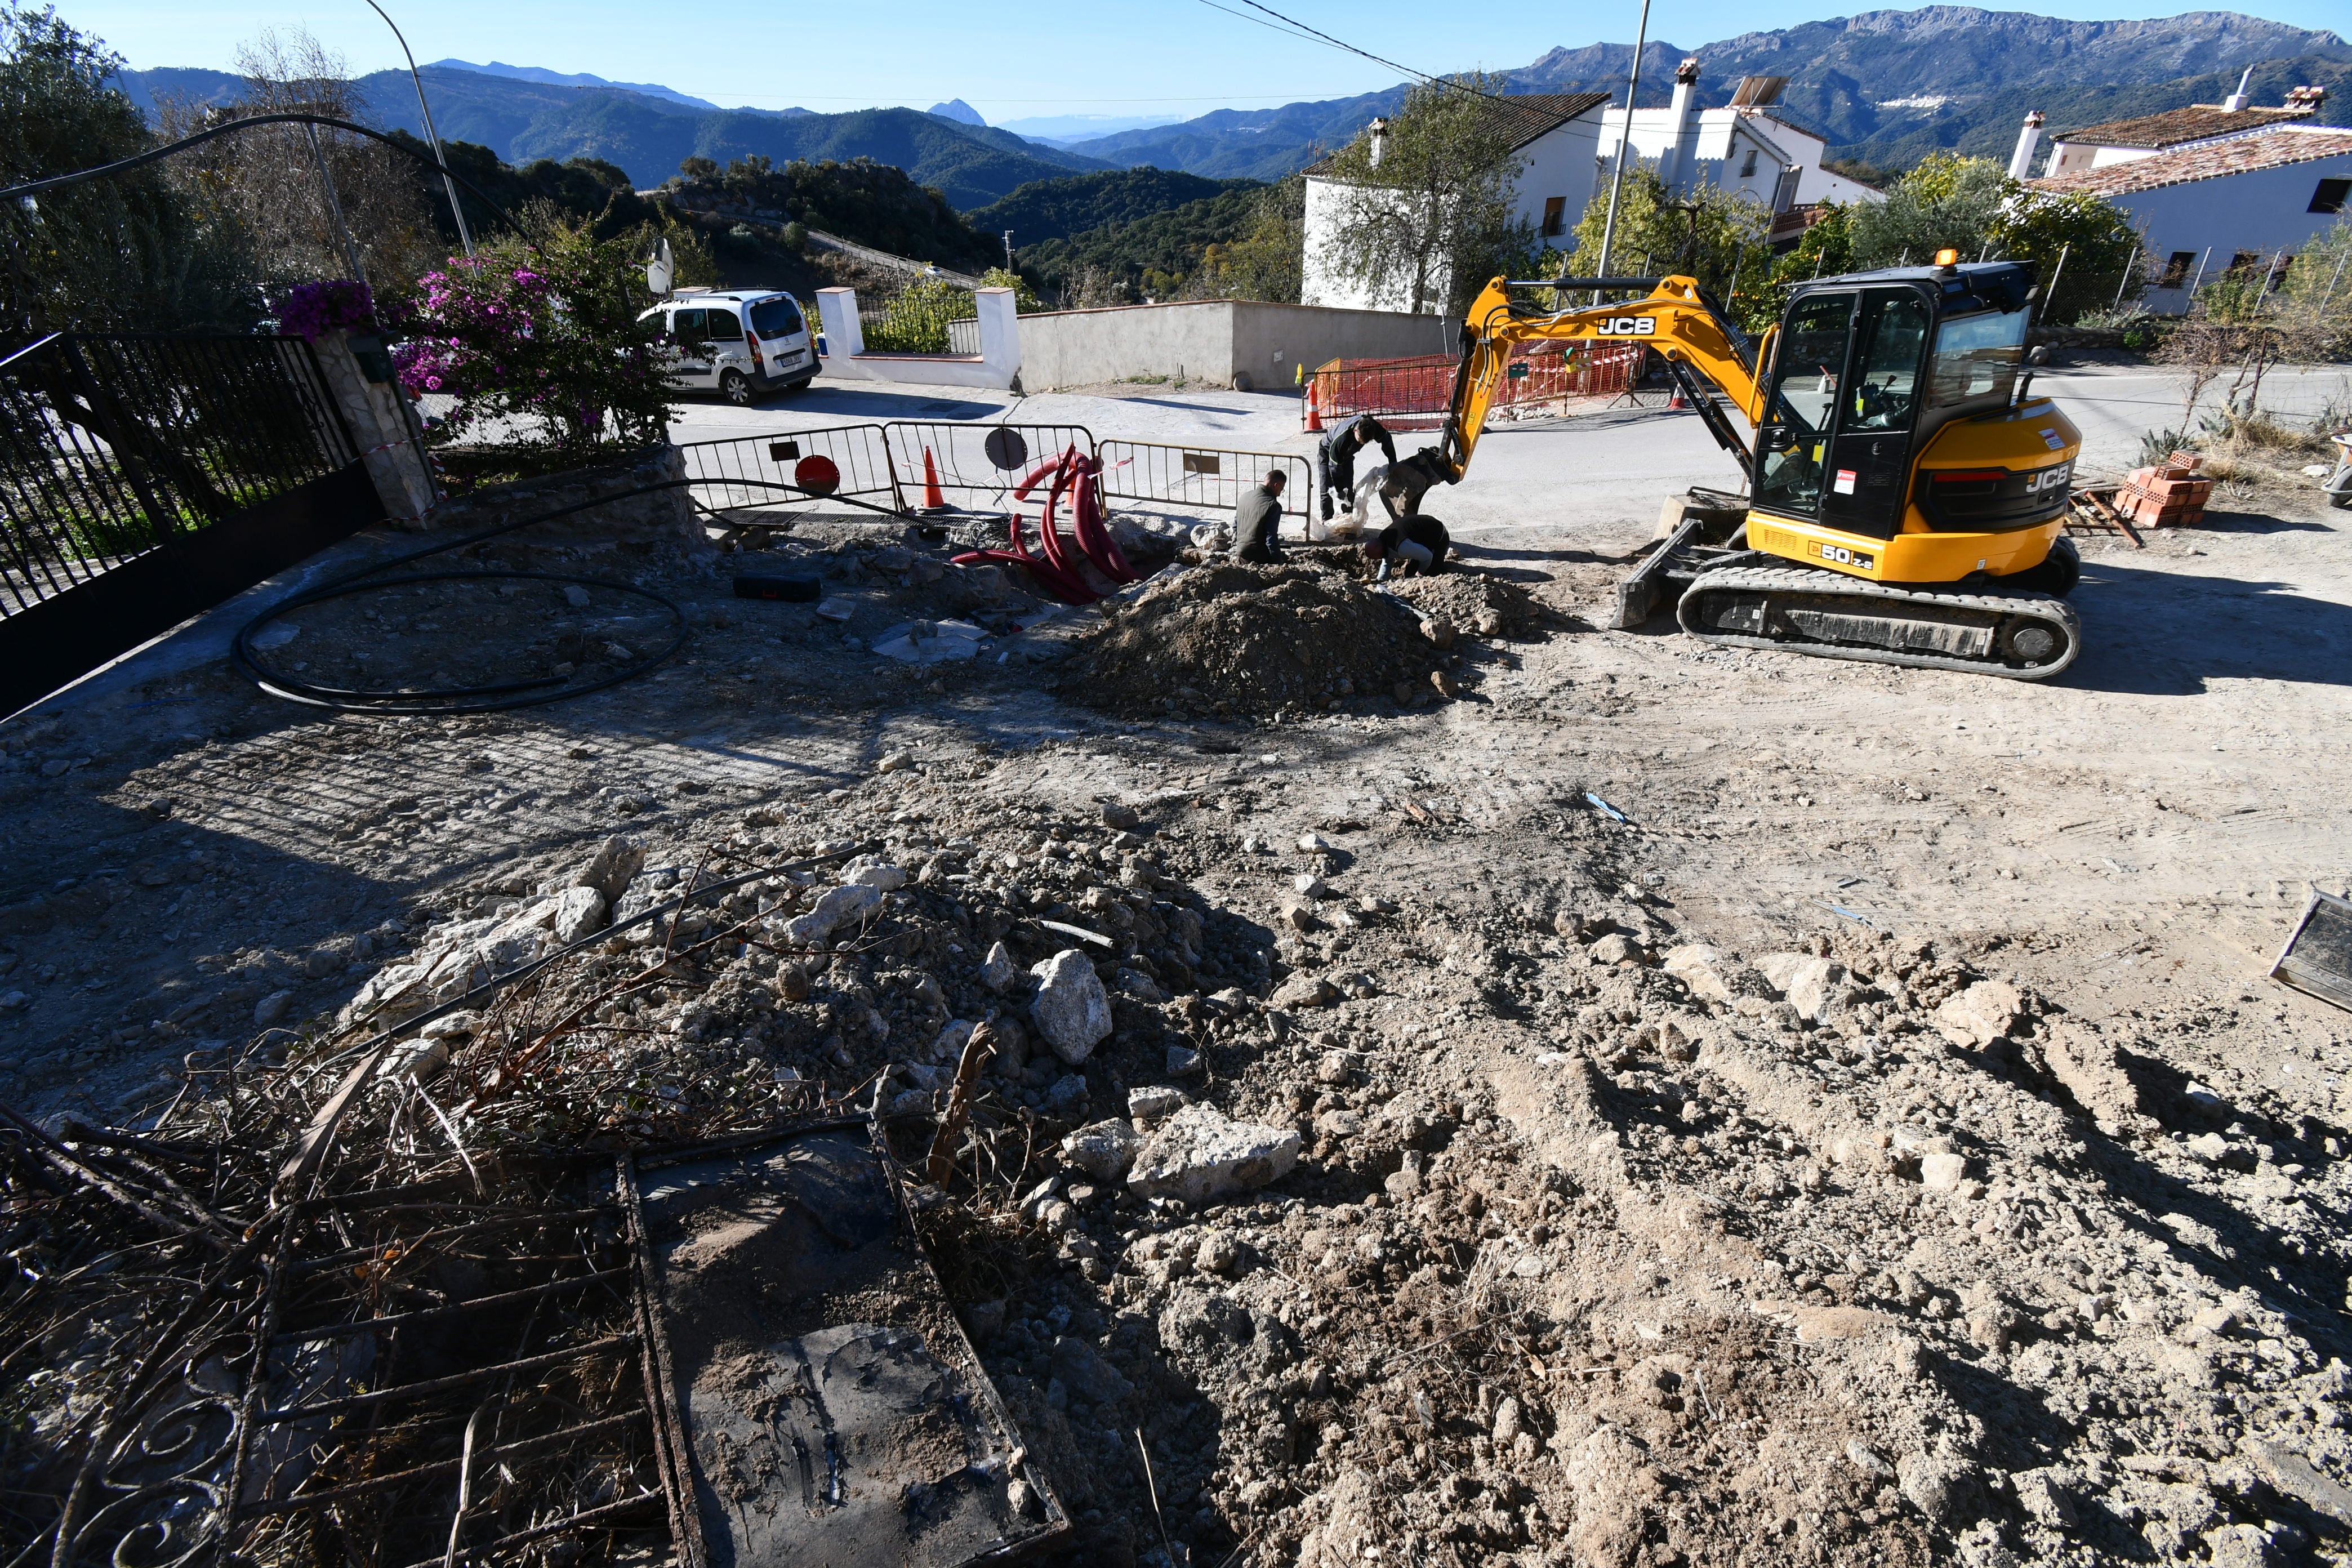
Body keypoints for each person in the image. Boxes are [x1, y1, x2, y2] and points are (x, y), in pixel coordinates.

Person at [1318, 413, 1398, 520]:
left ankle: (1347, 521)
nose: (1362, 443)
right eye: (1360, 440)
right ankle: (1326, 522)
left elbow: (1387, 440)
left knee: (1348, 490)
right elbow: (1334, 468)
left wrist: (1393, 462)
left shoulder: (1372, 427)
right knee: (1327, 490)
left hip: (1347, 455)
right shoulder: (1342, 439)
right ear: (1356, 431)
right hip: (1327, 452)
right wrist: (1338, 488)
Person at [1362, 513, 1450, 580]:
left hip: (1438, 536)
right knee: (1409, 574)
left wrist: (1421, 572)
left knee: (1432, 574)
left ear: (1380, 552)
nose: (1378, 559)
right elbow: (1387, 563)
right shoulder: (1383, 541)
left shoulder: (1401, 547)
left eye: (1377, 557)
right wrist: (1380, 581)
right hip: (1420, 539)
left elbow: (1428, 557)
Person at [1231, 470, 1288, 563]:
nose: (1279, 494)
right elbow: (1271, 539)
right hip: (1257, 557)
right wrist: (1278, 562)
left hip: (1240, 554)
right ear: (1276, 485)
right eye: (1281, 490)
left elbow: (1235, 526)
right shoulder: (1273, 506)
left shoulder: (1245, 496)